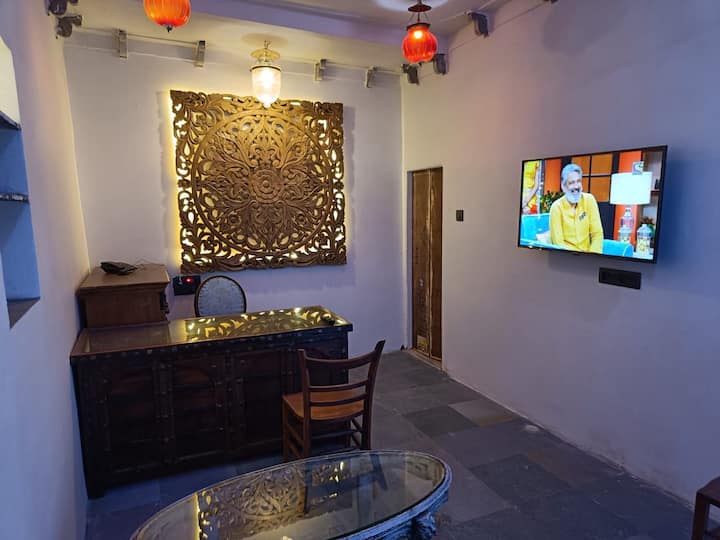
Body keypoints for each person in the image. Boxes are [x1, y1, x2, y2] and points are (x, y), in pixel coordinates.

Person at [549, 163, 604, 253]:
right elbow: (558, 244)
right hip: (567, 257)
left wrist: (592, 257)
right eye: (571, 183)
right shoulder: (556, 208)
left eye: (578, 181)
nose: (576, 186)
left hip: (589, 255)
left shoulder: (589, 200)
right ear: (563, 187)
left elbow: (597, 234)